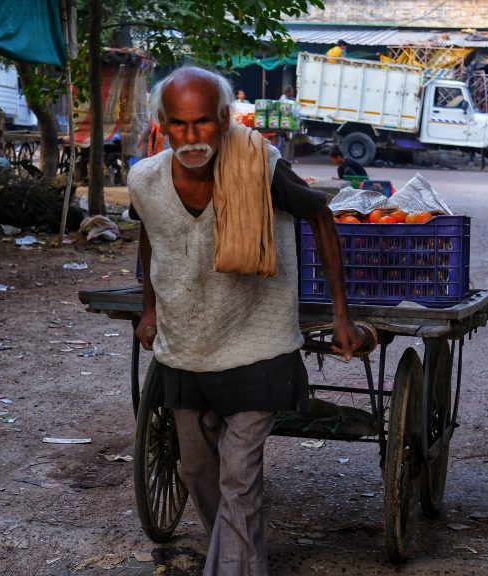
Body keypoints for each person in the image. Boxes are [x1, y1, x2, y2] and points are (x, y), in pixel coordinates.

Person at [128, 66, 362, 574]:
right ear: (162, 125)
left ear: (224, 120)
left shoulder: (260, 164)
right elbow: (152, 233)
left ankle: (234, 566)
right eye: (179, 125)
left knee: (239, 476)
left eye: (204, 123)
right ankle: (233, 551)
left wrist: (341, 315)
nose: (193, 138)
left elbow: (319, 214)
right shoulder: (145, 179)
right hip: (186, 347)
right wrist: (148, 308)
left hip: (258, 342)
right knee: (195, 468)